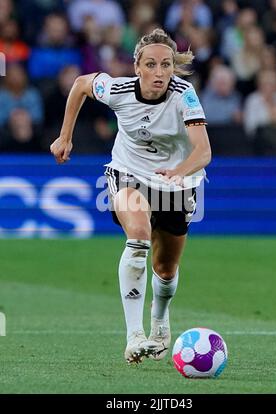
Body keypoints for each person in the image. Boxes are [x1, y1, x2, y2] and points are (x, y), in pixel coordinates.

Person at [50, 28, 211, 364]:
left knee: (165, 269)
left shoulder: (185, 94)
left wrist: (179, 172)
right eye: (150, 64)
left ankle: (160, 320)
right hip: (129, 174)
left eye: (166, 65)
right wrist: (65, 136)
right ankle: (134, 335)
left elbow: (203, 151)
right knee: (138, 236)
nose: (159, 72)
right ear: (137, 66)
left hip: (177, 183)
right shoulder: (118, 89)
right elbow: (81, 84)